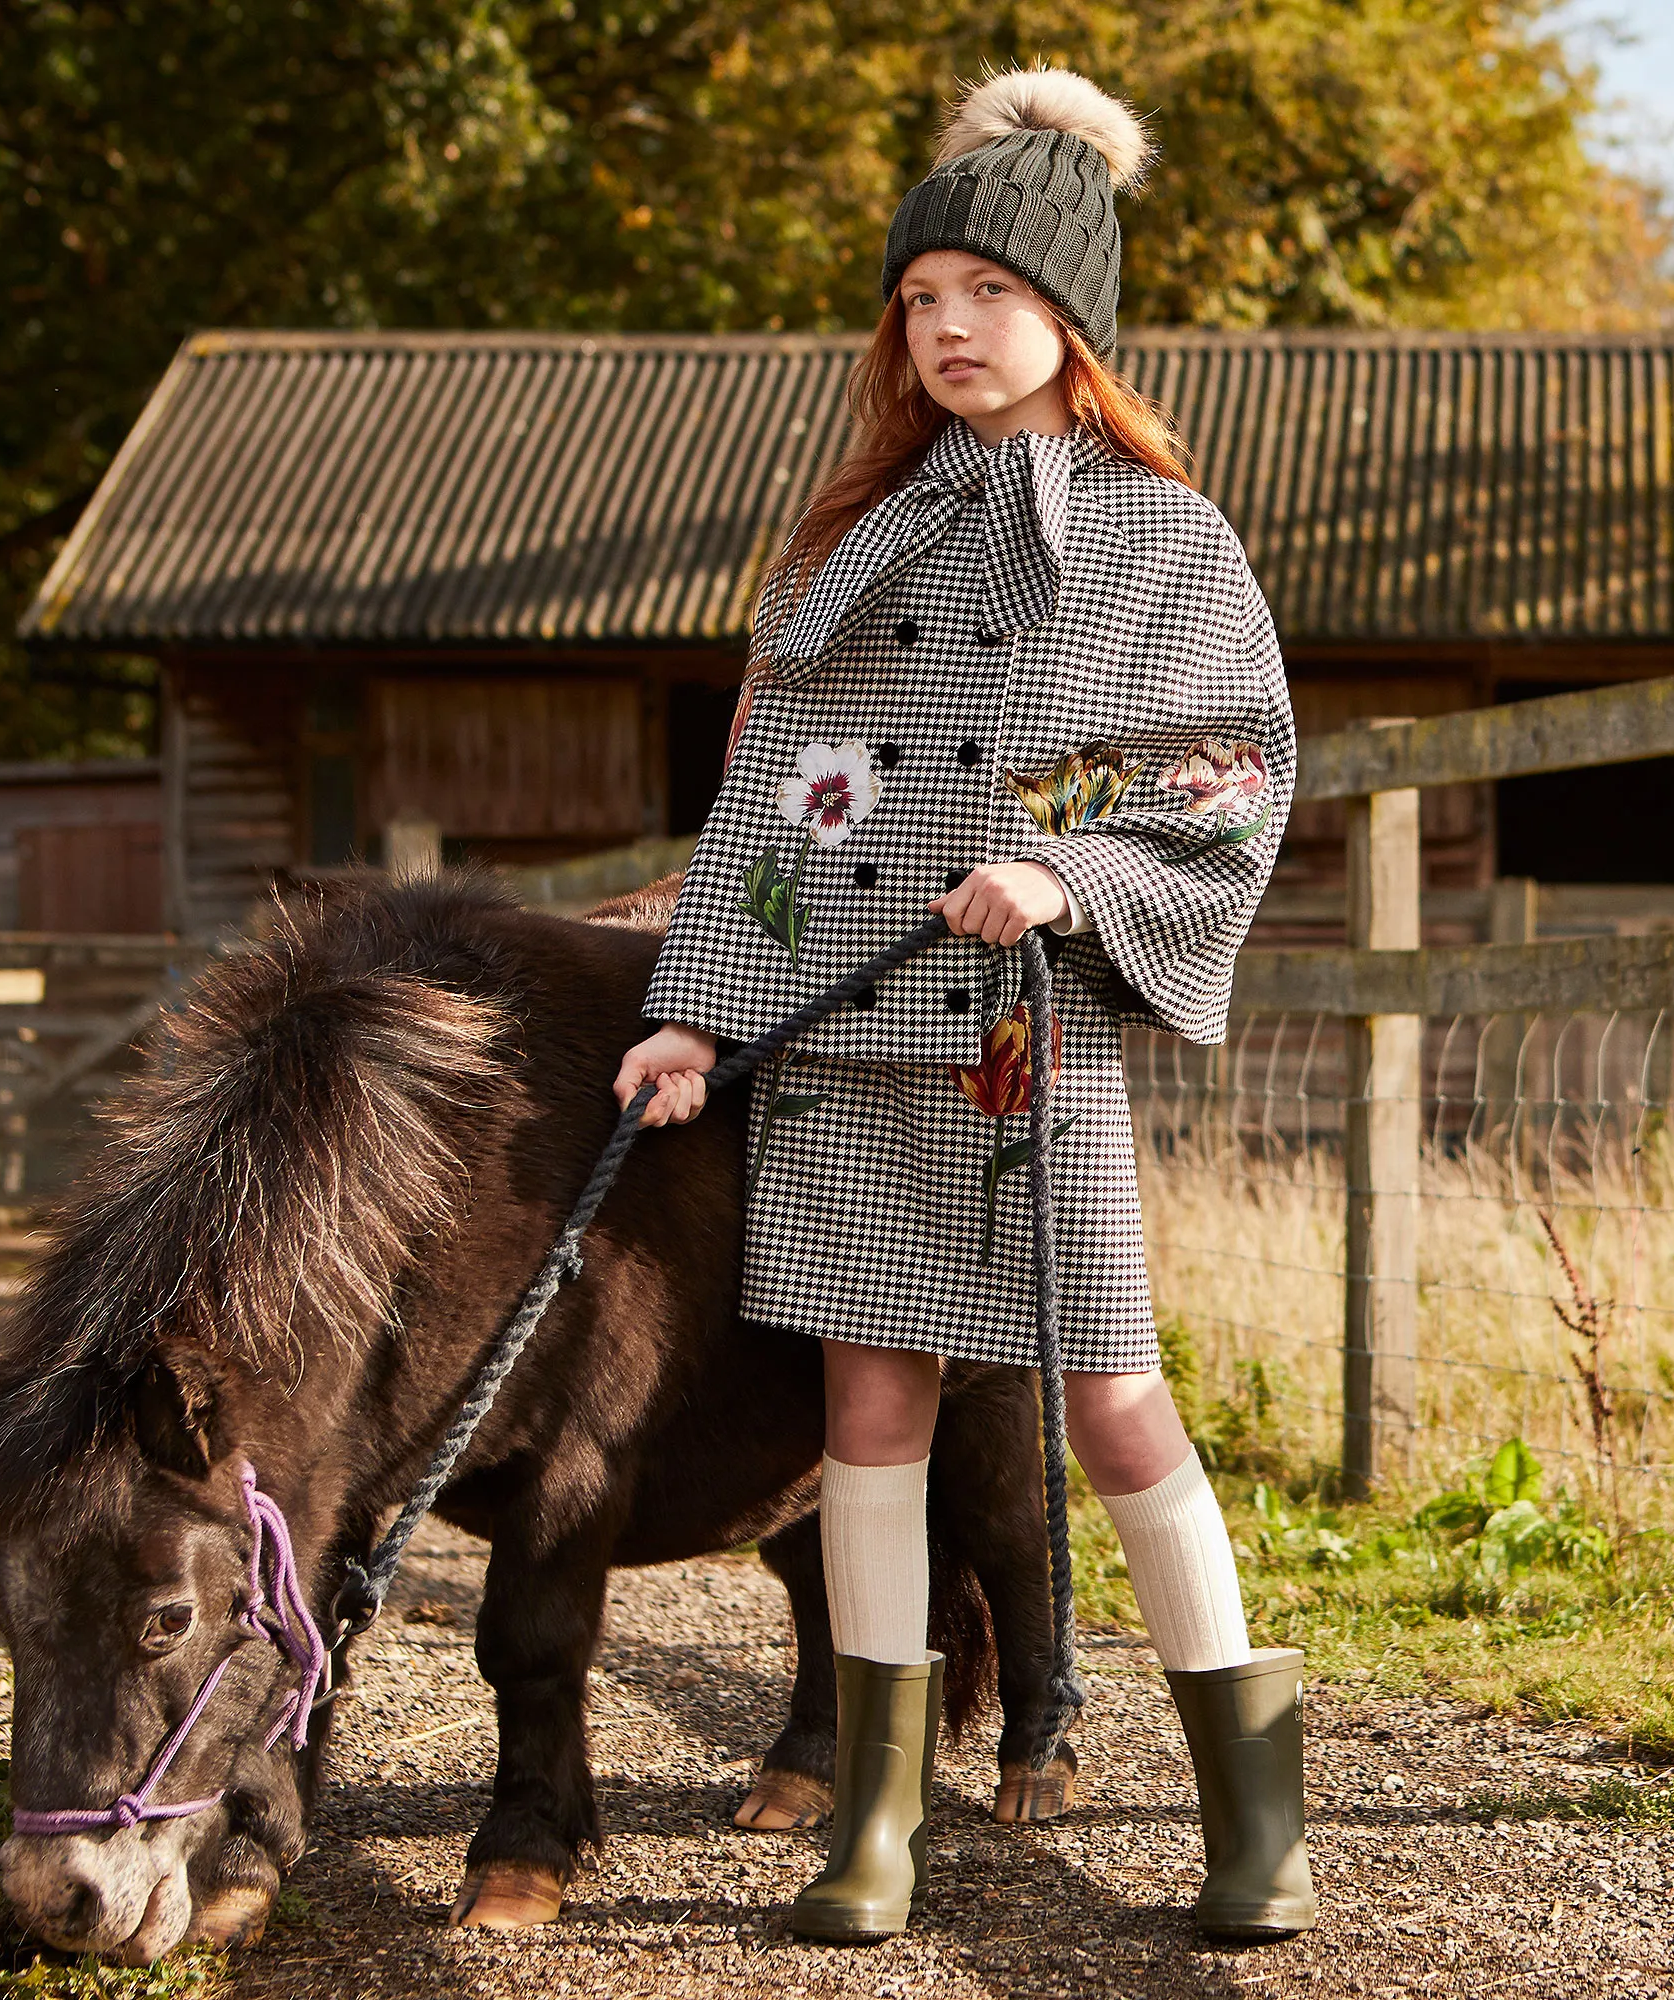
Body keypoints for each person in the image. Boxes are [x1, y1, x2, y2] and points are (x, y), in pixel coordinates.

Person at [611, 64, 1314, 1946]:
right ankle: (877, 1815)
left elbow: (1225, 767)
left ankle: (1257, 1813)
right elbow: (771, 805)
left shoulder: (1169, 541)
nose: (946, 329)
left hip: (1024, 1041)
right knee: (869, 1409)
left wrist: (1064, 868)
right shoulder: (841, 549)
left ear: (1069, 323)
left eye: (985, 296)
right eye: (920, 300)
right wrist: (694, 1015)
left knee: (1108, 1400)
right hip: (843, 1050)